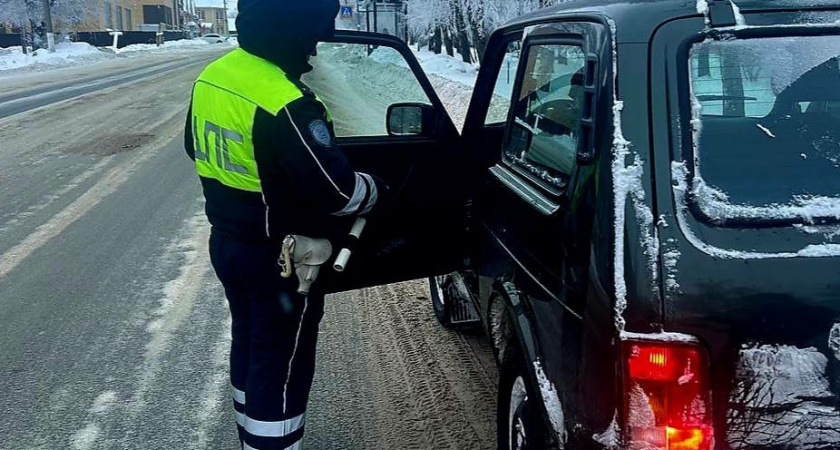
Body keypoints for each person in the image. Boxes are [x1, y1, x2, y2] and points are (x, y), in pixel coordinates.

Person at [184, 1, 388, 448]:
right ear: (292, 32)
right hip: (279, 260)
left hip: (228, 244)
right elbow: (336, 193)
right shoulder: (286, 102)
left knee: (250, 340)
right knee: (282, 365)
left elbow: (191, 146)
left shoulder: (214, 76)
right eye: (314, 33)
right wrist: (375, 188)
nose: (316, 47)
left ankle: (248, 429)